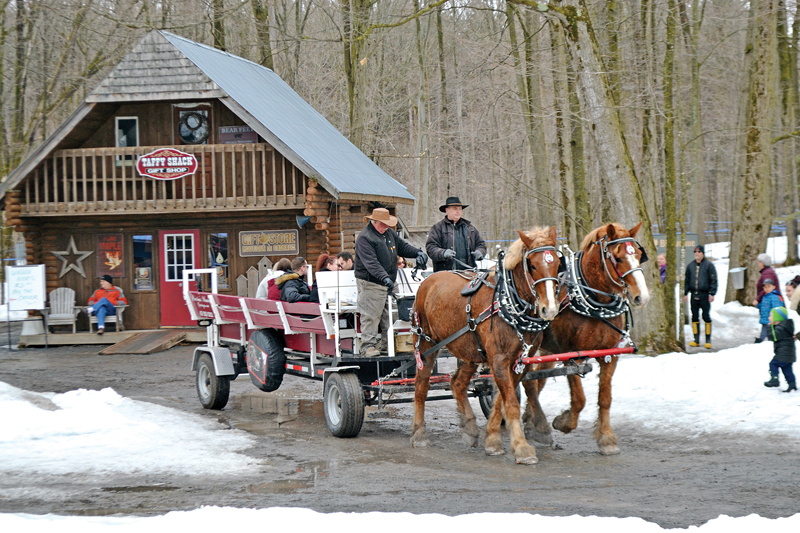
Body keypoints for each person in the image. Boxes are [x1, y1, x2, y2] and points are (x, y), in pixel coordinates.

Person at [355, 207, 427, 356]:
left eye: (388, 223)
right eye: (383, 224)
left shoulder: (389, 233)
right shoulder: (365, 238)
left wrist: (418, 252)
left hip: (388, 281)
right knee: (371, 315)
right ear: (374, 222)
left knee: (392, 315)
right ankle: (367, 347)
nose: (386, 226)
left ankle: (389, 344)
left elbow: (403, 247)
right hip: (371, 283)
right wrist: (384, 277)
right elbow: (371, 263)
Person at [426, 196, 487, 272]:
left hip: (469, 273)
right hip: (445, 274)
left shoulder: (470, 228)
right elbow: (431, 248)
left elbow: (481, 244)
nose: (458, 211)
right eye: (455, 209)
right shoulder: (437, 228)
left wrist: (480, 252)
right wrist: (443, 253)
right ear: (447, 210)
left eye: (460, 209)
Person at [683, 245, 717, 349]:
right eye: (695, 252)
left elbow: (713, 280)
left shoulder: (709, 265)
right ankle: (696, 339)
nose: (696, 253)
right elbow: (687, 281)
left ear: (702, 253)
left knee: (706, 316)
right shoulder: (690, 266)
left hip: (705, 294)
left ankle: (708, 340)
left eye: (699, 251)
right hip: (694, 294)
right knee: (694, 317)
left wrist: (712, 293)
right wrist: (685, 293)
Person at [763, 306, 797, 392]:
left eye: (771, 316)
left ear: (777, 318)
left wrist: (769, 326)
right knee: (787, 369)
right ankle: (792, 385)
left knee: (773, 364)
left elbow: (773, 337)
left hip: (783, 354)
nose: (769, 318)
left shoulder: (781, 328)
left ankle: (775, 379)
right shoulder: (785, 325)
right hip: (789, 354)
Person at [756, 279, 784, 343]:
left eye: (769, 286)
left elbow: (776, 308)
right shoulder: (766, 296)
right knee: (764, 331)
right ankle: (761, 341)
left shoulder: (775, 297)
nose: (767, 289)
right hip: (766, 318)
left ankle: (766, 341)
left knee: (770, 332)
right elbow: (764, 306)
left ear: (774, 287)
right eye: (765, 287)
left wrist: (775, 318)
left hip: (771, 320)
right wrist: (758, 305)